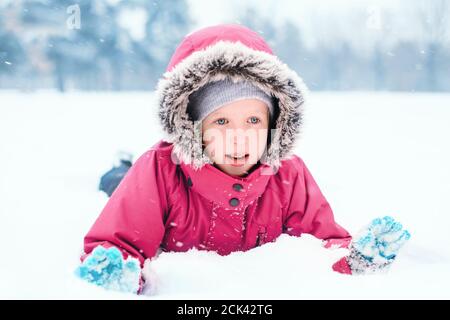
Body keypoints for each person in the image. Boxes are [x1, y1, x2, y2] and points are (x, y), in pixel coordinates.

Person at [76, 24, 410, 294]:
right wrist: (117, 272)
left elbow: (322, 242)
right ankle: (120, 165)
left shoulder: (287, 173)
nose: (239, 138)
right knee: (118, 181)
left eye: (253, 121)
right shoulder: (159, 169)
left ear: (274, 123)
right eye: (221, 122)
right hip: (140, 180)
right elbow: (118, 241)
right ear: (193, 127)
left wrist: (354, 261)